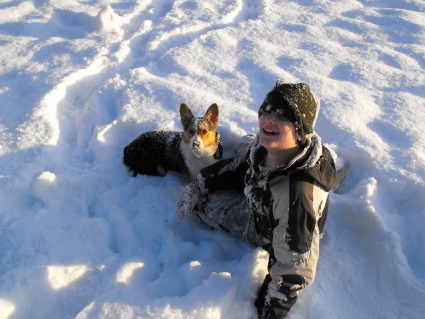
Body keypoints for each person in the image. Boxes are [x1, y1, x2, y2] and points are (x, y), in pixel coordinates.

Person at [176, 80, 337, 318]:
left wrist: (266, 312)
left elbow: (293, 271)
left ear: (301, 130)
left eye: (283, 116)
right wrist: (201, 181)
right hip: (264, 193)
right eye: (266, 110)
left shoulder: (296, 197)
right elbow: (241, 166)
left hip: (268, 225)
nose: (270, 119)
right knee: (246, 146)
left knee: (205, 204)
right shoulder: (268, 148)